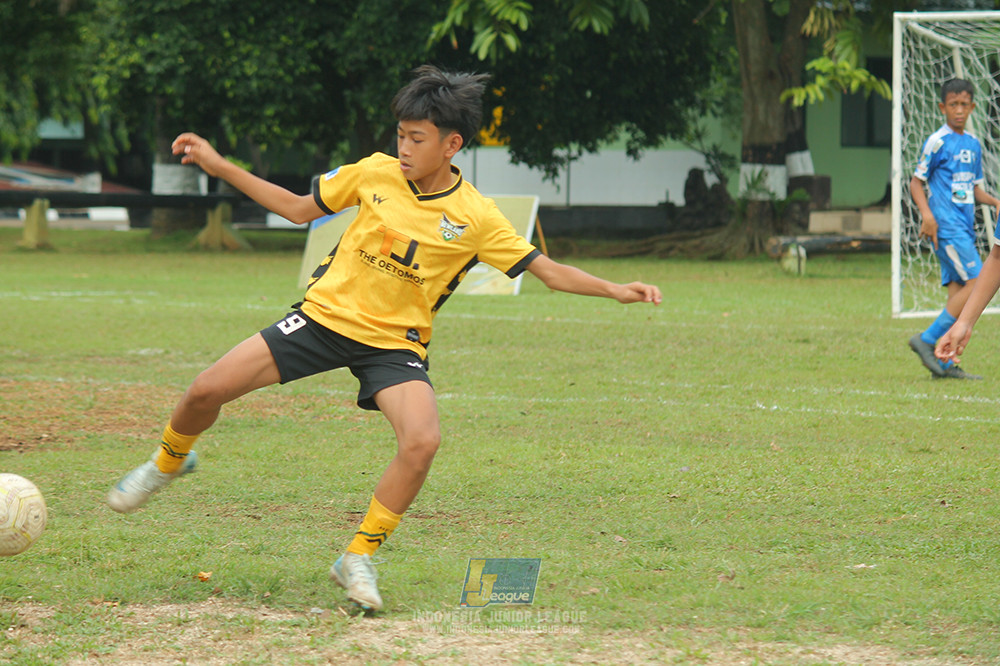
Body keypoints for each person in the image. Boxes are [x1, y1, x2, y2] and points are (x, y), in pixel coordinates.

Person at [106, 65, 662, 613]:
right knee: (205, 390)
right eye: (400, 135)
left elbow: (549, 272)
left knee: (422, 441)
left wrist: (617, 290)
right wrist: (219, 165)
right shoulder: (374, 172)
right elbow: (297, 210)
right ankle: (168, 461)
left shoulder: (476, 217)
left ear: (452, 145)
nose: (404, 148)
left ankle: (357, 556)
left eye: (417, 139)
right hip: (324, 320)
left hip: (394, 345)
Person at [908, 78, 1000, 380]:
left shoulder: (973, 144)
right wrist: (927, 215)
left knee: (959, 293)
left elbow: (973, 189)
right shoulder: (937, 141)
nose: (959, 110)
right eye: (953, 105)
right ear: (942, 107)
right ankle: (927, 339)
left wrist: (994, 201)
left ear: (972, 107)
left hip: (965, 226)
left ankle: (944, 362)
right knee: (977, 281)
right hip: (946, 227)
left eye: (964, 105)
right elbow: (916, 182)